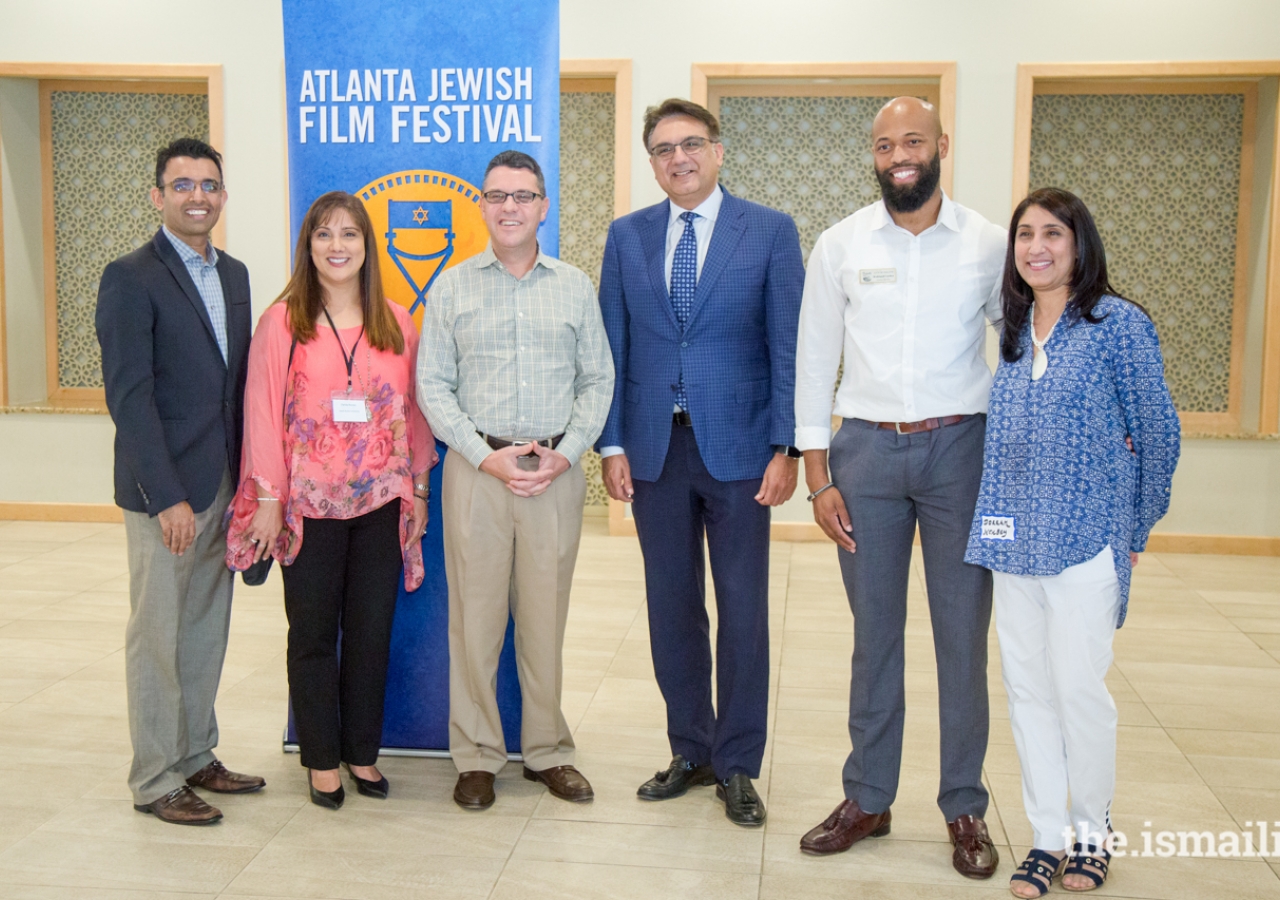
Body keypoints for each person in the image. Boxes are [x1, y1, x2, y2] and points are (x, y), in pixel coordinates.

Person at [793, 97, 1005, 877]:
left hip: (961, 453)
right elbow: (815, 361)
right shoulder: (842, 243)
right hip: (866, 460)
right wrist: (818, 477)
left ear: (941, 145)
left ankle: (965, 808)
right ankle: (869, 797)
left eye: (913, 141)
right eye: (886, 146)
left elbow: (1015, 350)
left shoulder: (987, 242)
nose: (899, 156)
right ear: (875, 157)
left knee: (961, 640)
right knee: (873, 638)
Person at [596, 98, 804, 827]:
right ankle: (692, 748)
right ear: (650, 161)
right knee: (671, 606)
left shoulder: (771, 232)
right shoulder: (626, 237)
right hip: (655, 452)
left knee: (743, 610)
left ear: (717, 151)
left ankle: (739, 763)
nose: (676, 158)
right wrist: (612, 443)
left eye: (690, 144)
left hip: (744, 451)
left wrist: (789, 446)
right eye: (661, 149)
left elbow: (789, 347)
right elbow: (611, 350)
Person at [966, 187, 1179, 897]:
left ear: (1080, 245)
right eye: (1025, 234)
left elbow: (1158, 435)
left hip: (1087, 540)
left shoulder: (1117, 325)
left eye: (1053, 233)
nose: (1037, 247)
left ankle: (1092, 831)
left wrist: (1134, 528)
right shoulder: (1017, 329)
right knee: (1028, 692)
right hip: (1012, 541)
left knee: (1079, 690)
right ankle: (1045, 837)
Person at [225, 191, 436, 809]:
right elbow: (260, 414)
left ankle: (362, 754)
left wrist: (419, 489)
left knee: (372, 633)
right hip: (306, 509)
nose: (337, 246)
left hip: (380, 503)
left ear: (368, 247)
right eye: (324, 234)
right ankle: (321, 760)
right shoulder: (281, 323)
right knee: (313, 634)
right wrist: (267, 495)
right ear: (308, 246)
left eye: (349, 234)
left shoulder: (397, 322)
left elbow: (415, 414)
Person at [417, 150, 613, 811]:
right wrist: (482, 454)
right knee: (473, 622)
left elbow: (598, 379)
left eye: (522, 196)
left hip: (553, 473)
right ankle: (475, 757)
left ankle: (547, 752)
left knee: (544, 620)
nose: (509, 207)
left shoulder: (573, 285)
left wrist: (570, 452)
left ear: (542, 206)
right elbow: (433, 386)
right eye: (497, 196)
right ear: (483, 205)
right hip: (477, 474)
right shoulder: (451, 287)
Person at [96, 137, 264, 825]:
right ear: (157, 194)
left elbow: (238, 384)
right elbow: (129, 398)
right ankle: (155, 776)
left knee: (204, 626)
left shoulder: (235, 275)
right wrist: (165, 495)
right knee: (157, 632)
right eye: (183, 183)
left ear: (223, 195)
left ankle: (196, 754)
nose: (199, 195)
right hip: (164, 489)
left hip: (222, 477)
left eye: (210, 184)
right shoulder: (130, 276)